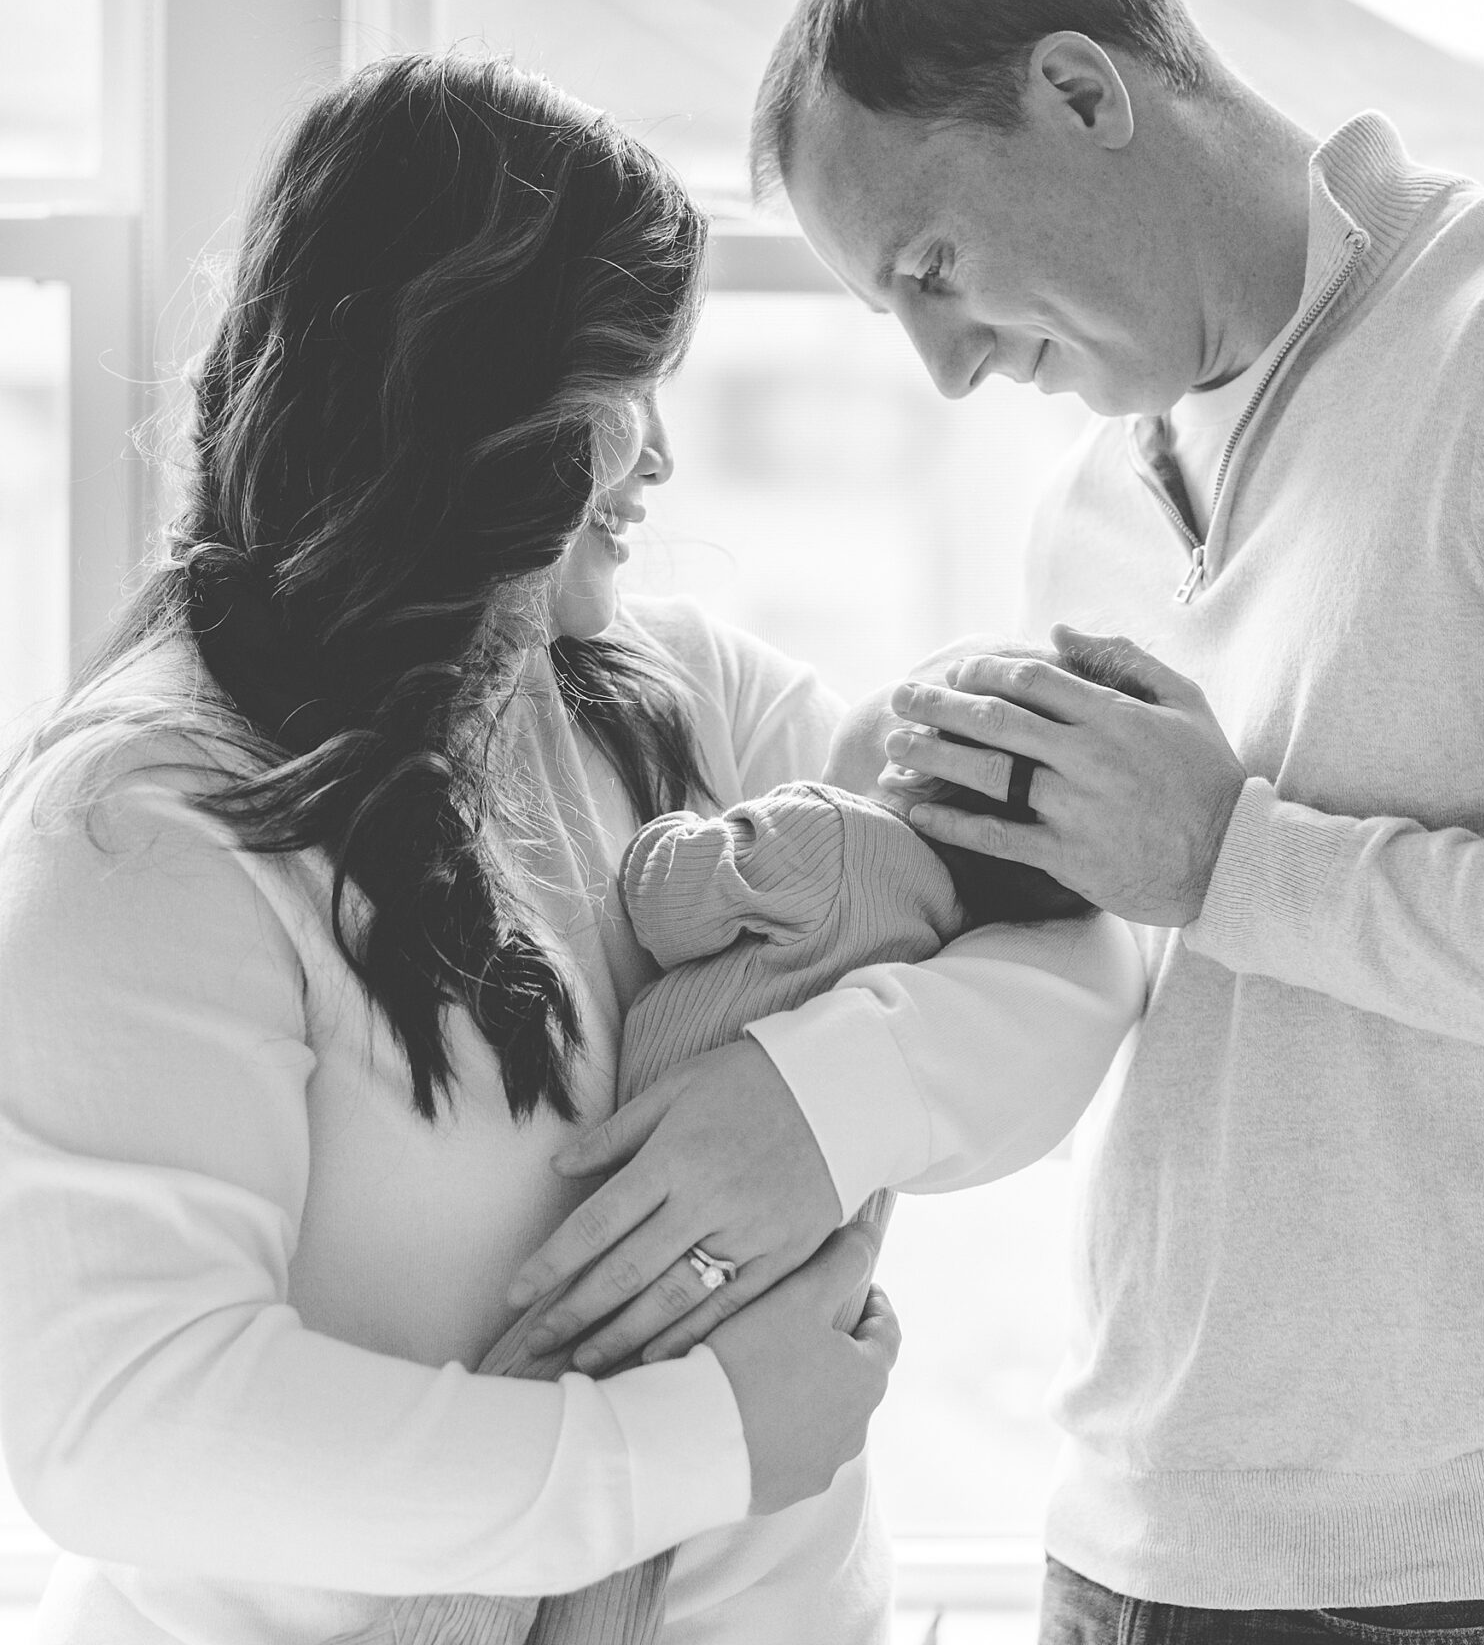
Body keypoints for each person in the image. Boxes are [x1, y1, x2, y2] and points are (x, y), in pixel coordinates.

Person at [0, 52, 1138, 1645]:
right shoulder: (143, 828)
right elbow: (128, 1428)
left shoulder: (673, 698)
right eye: (624, 388)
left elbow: (1076, 933)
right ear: (466, 400)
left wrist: (817, 1109)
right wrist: (698, 1447)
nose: (658, 461)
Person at [722, 0, 1484, 1645]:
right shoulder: (1091, 509)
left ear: (1084, 91)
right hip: (1140, 1538)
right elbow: (1195, 996)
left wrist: (1232, 866)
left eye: (932, 270)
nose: (945, 370)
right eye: (896, 317)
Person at [349, 629, 1102, 1645]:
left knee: (538, 1403)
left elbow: (663, 899)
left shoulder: (828, 836)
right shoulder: (942, 921)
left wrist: (676, 833)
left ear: (916, 756)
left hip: (656, 1226)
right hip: (767, 1274)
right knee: (632, 1553)